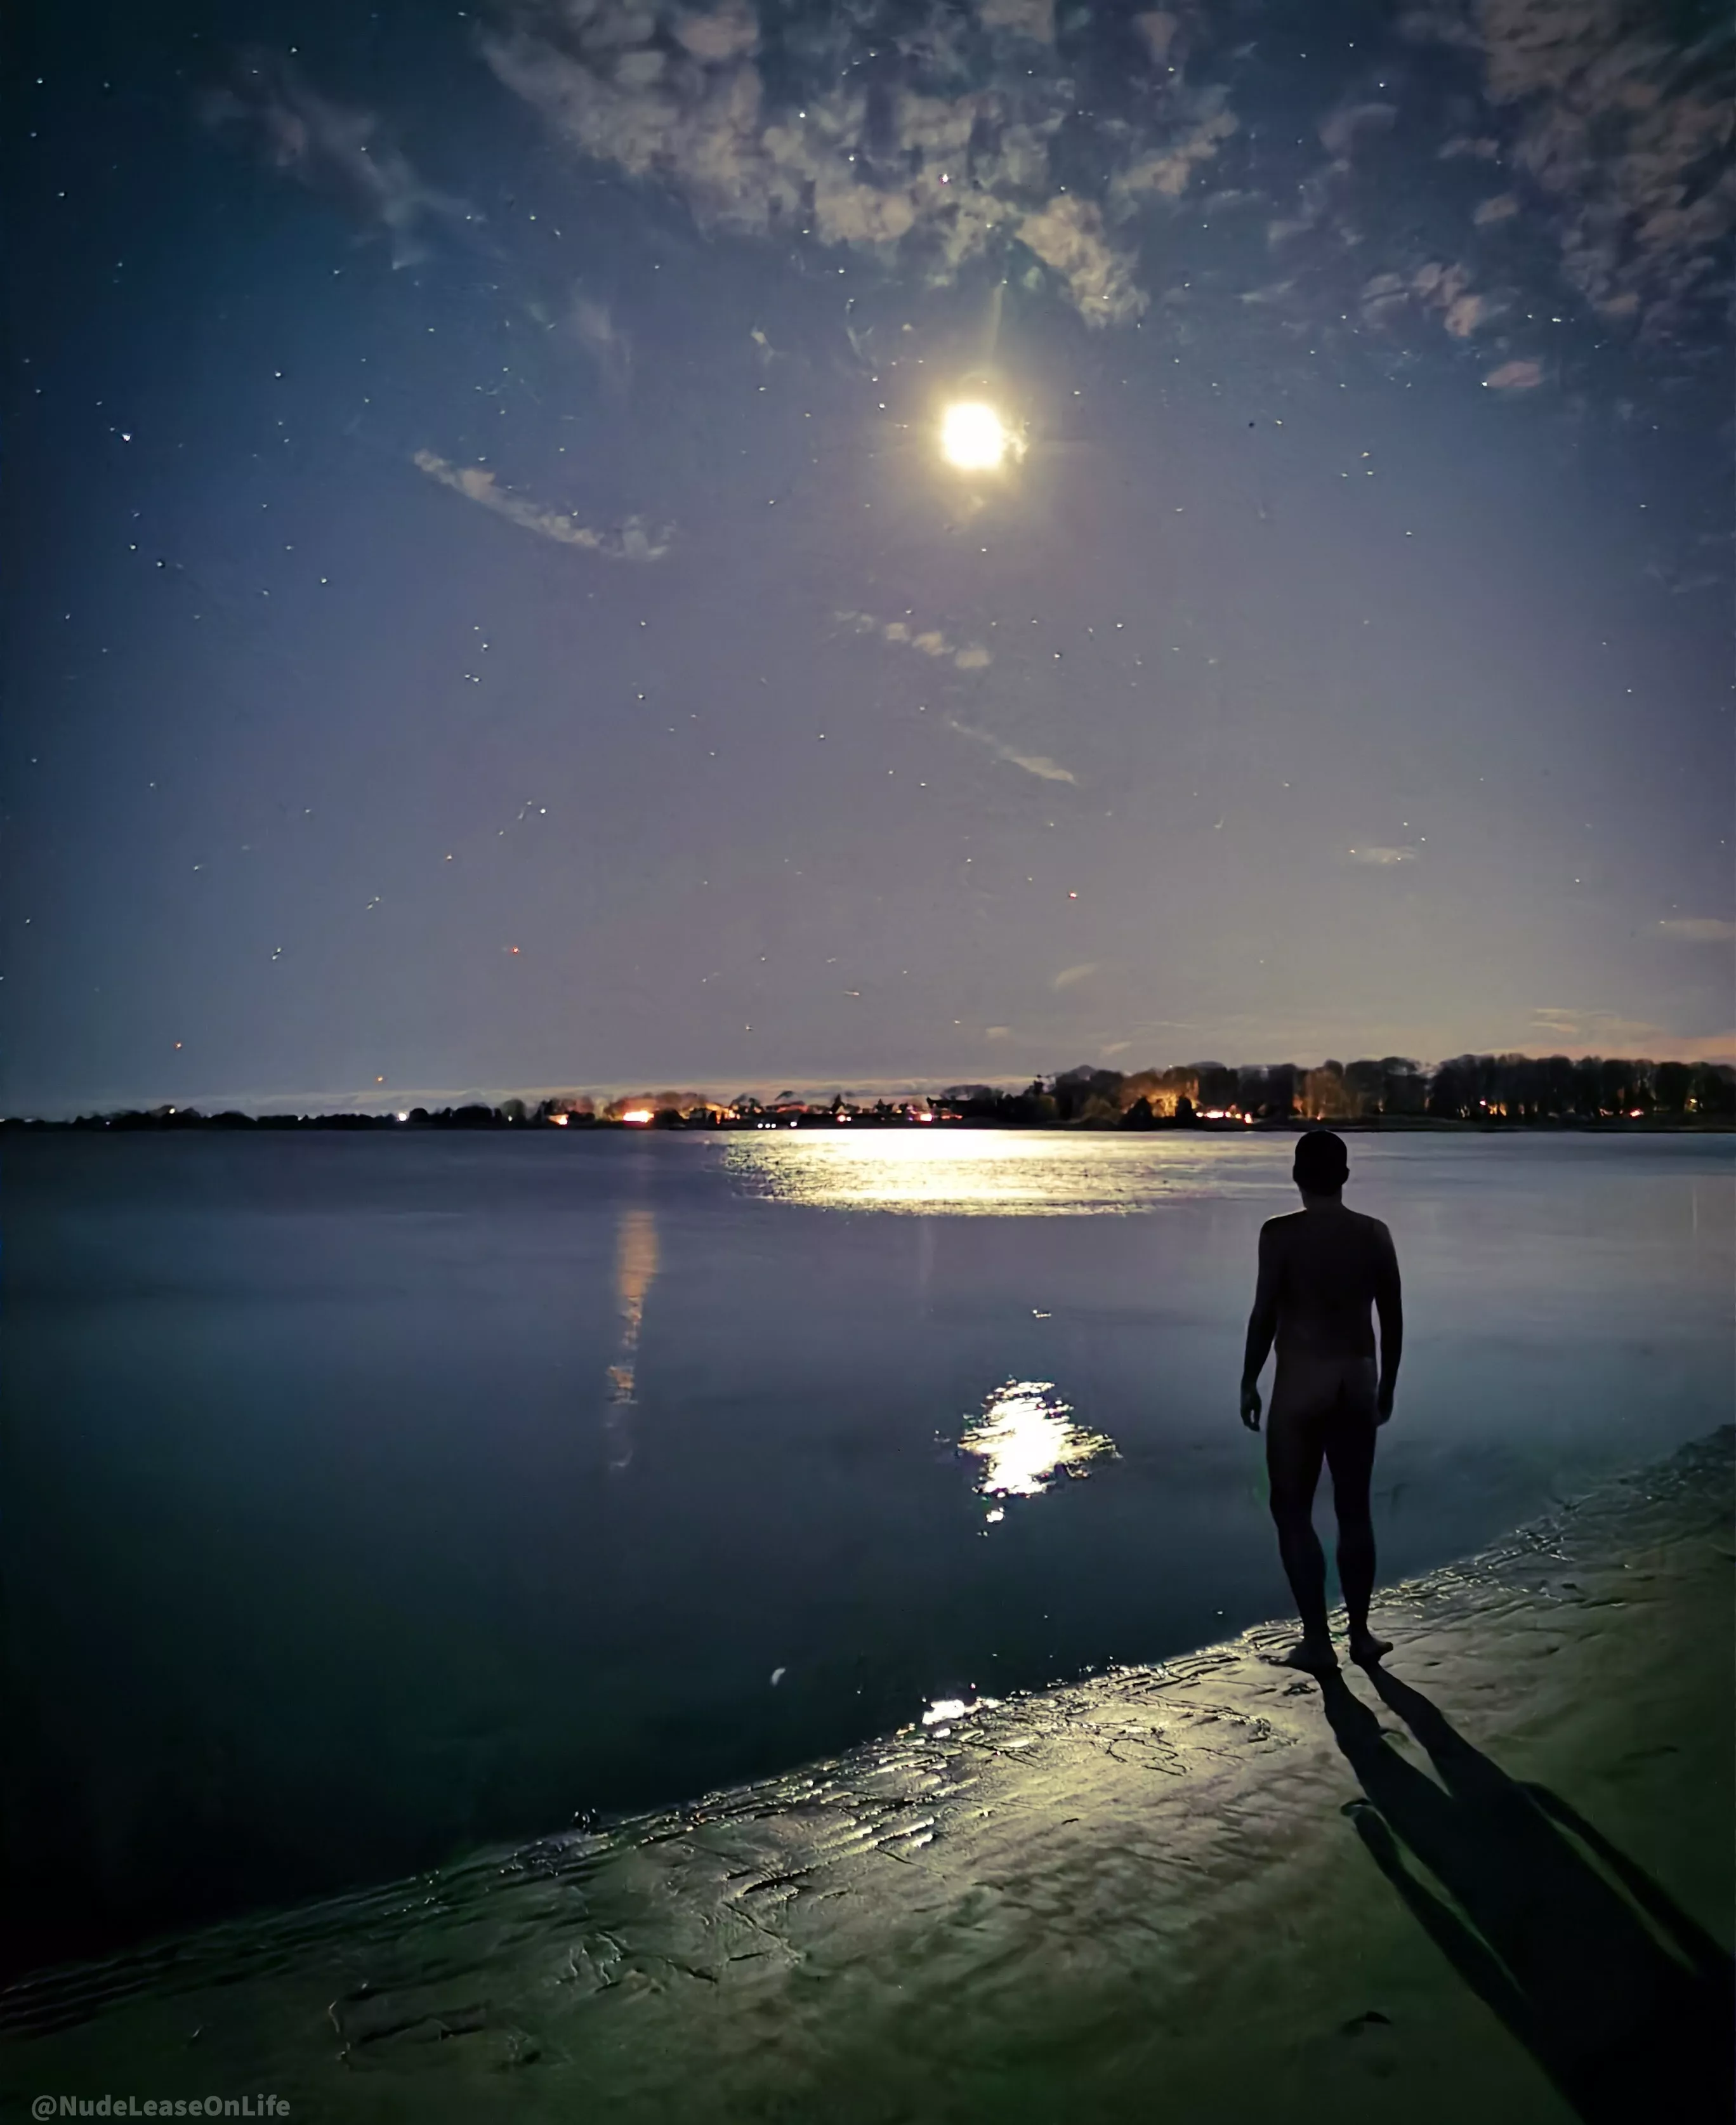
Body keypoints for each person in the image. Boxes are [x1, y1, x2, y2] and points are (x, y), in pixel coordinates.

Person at [1240, 1129, 1402, 1674]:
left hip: (1302, 1381)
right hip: (1357, 1378)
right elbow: (1393, 1318)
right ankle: (1360, 1635)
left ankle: (1317, 1641)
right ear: (1346, 1176)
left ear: (1296, 1176)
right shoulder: (1374, 1234)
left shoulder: (1279, 1235)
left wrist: (1248, 1380)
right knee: (1354, 1509)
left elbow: (1264, 1313)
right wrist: (1388, 1385)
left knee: (1292, 1509)